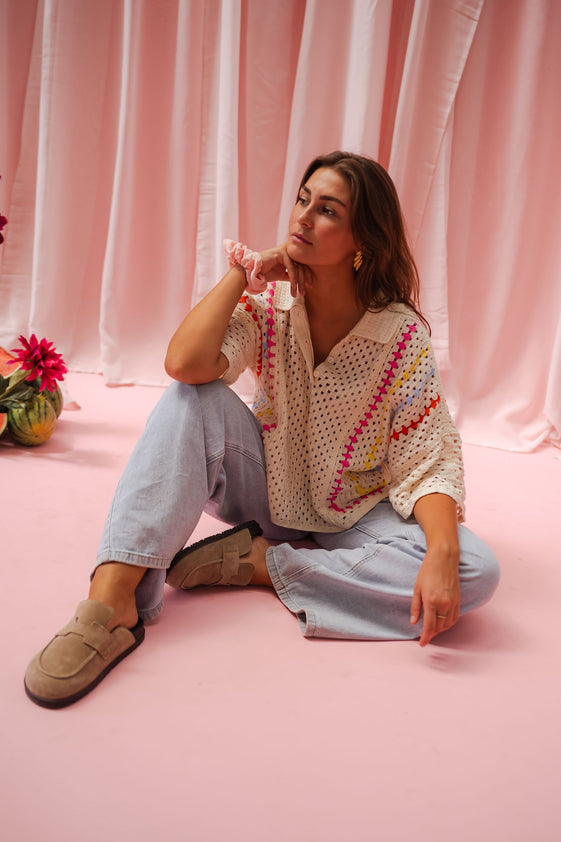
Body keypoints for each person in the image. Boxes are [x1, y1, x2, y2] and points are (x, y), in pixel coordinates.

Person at [24, 151, 500, 708]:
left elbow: (428, 457)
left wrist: (440, 553)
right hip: (269, 486)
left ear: (363, 241)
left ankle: (260, 564)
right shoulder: (272, 303)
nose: (303, 217)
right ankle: (109, 603)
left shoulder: (401, 337)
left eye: (327, 210)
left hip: (359, 511)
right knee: (191, 397)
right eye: (303, 199)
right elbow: (185, 364)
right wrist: (240, 277)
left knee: (474, 569)